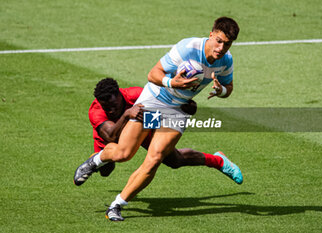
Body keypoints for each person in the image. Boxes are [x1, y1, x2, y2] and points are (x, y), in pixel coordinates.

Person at [74, 16, 242, 221]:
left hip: (176, 111)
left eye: (227, 44)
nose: (221, 48)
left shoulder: (226, 61)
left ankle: (117, 205)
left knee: (154, 159)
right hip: (155, 102)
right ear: (211, 34)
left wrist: (220, 90)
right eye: (219, 40)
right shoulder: (188, 48)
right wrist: (173, 83)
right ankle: (97, 159)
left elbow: (229, 88)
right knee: (123, 154)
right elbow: (153, 74)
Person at [78, 77, 234, 180]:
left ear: (120, 95)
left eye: (113, 105)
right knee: (106, 170)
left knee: (174, 160)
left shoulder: (137, 95)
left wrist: (184, 106)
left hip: (140, 124)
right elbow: (111, 137)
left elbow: (164, 103)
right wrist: (126, 114)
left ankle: (219, 161)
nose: (110, 111)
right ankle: (97, 158)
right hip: (110, 135)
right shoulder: (96, 111)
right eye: (107, 108)